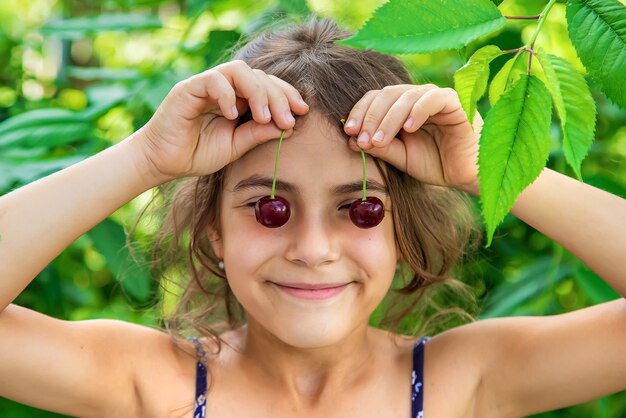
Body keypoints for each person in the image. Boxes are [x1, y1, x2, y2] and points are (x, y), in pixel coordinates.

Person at [1, 16, 625, 418]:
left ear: (403, 231)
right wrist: (144, 157)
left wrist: (490, 170)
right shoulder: (151, 384)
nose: (314, 247)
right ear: (214, 229)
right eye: (269, 207)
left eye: (361, 208)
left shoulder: (464, 380)